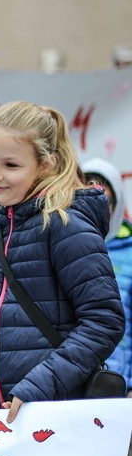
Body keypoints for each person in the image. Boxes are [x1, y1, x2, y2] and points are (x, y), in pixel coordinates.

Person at [0, 101, 125, 424]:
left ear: (45, 164)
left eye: (11, 165)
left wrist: (37, 387)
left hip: (57, 418)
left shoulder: (65, 226)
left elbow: (104, 321)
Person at [81, 158, 132, 395]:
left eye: (104, 198)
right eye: (83, 194)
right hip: (70, 387)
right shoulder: (57, 246)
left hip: (120, 387)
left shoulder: (129, 252)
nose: (95, 204)